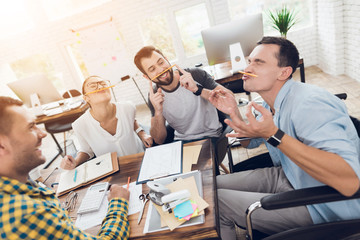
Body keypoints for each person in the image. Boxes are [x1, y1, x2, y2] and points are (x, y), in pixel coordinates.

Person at [209, 36, 360, 239]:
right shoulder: (270, 102)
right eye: (250, 61)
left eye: (258, 62)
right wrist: (234, 112)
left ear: (284, 72)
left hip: (323, 205)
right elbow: (249, 141)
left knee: (216, 202)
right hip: (291, 174)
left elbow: (350, 182)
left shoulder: (309, 104)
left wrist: (273, 134)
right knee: (210, 186)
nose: (248, 67)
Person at [0, 96, 130, 239]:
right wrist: (119, 202)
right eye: (30, 127)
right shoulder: (27, 214)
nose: (43, 133)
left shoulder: (20, 187)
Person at [134, 46, 229, 144]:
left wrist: (198, 89)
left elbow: (229, 101)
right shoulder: (154, 95)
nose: (160, 70)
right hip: (182, 142)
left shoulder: (195, 75)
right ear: (147, 77)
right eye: (152, 69)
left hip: (212, 137)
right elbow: (159, 140)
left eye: (161, 62)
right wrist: (158, 112)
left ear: (166, 60)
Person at [61, 75, 153, 170]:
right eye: (93, 86)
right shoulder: (80, 125)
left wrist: (142, 133)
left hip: (141, 162)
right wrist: (75, 162)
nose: (100, 87)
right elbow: (86, 151)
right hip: (112, 172)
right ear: (86, 98)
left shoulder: (128, 107)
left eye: (103, 83)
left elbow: (132, 121)